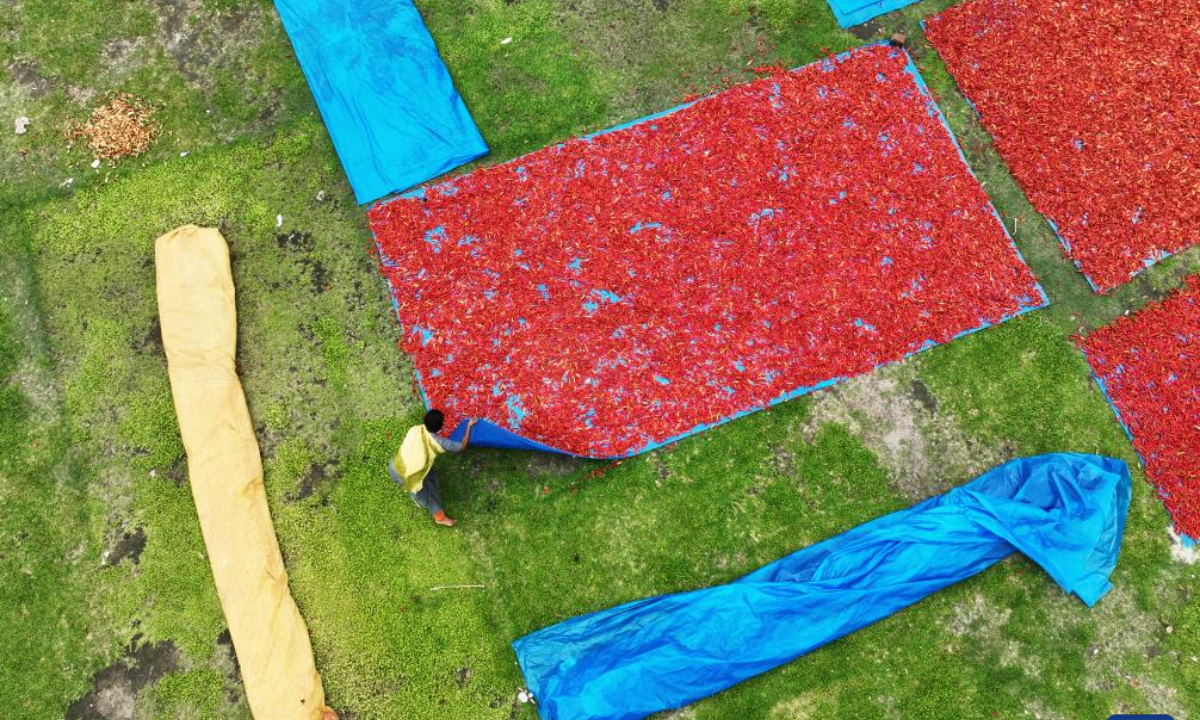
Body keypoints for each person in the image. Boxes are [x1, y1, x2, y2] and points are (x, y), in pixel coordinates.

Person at [390, 409, 475, 527]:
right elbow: (462, 447)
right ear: (440, 427)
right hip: (410, 476)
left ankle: (416, 492)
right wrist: (469, 426)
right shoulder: (438, 442)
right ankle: (440, 518)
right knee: (430, 495)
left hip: (395, 466)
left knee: (430, 476)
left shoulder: (415, 429)